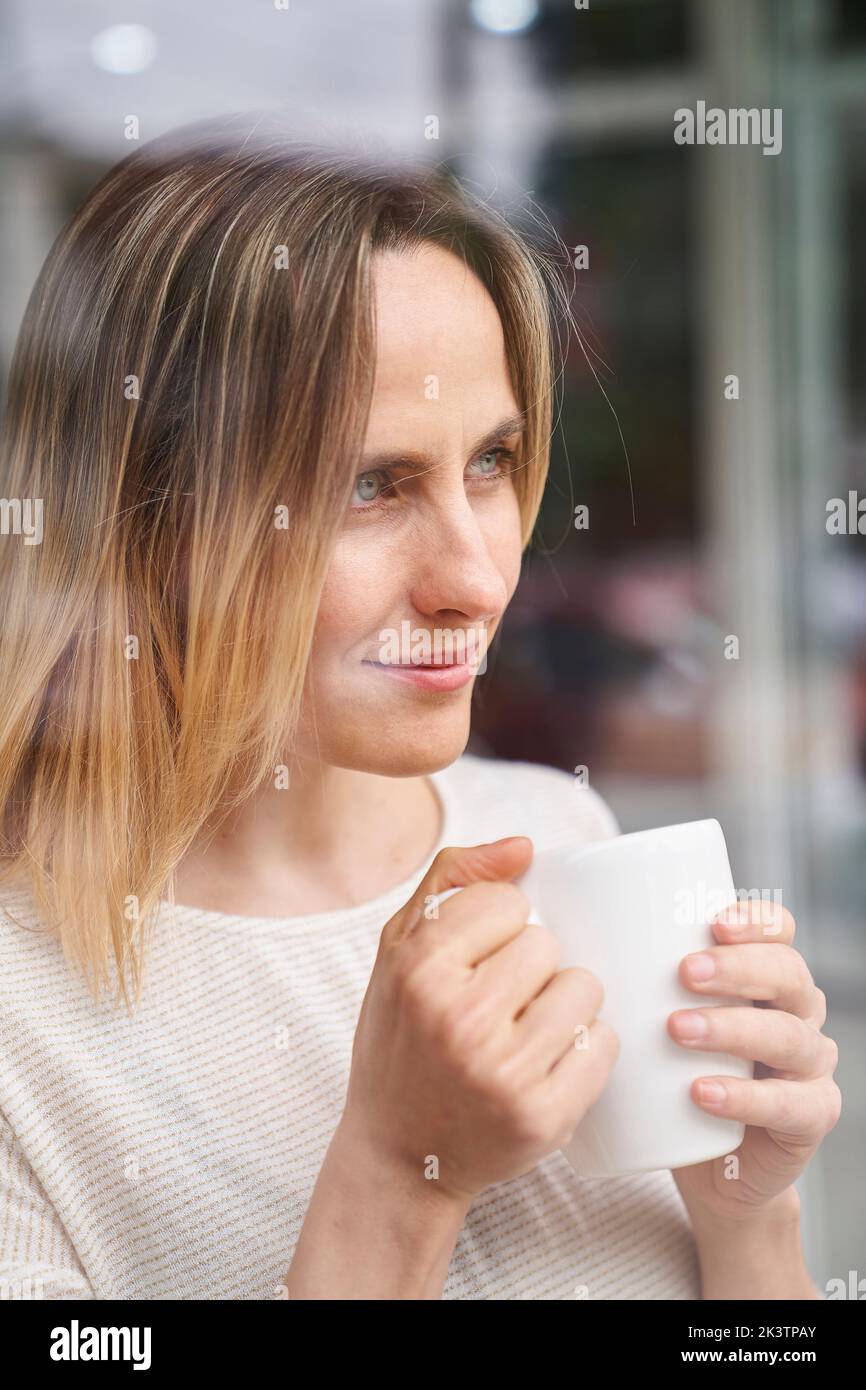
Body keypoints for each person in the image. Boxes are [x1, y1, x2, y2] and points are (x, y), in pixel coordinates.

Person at [0, 115, 838, 1301]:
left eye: (489, 462)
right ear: (148, 527)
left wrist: (747, 1219)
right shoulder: (21, 1020)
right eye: (369, 484)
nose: (479, 578)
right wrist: (397, 1180)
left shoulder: (558, 839)